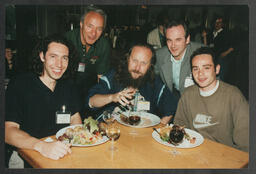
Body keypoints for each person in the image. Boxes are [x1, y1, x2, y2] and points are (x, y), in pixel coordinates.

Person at [5, 35, 83, 167]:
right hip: (28, 154)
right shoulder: (20, 84)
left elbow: (75, 119)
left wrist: (77, 140)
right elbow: (8, 132)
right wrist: (42, 146)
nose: (59, 64)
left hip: (62, 152)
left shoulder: (68, 85)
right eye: (53, 56)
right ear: (42, 56)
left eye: (64, 58)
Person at [174, 47, 248, 152]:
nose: (200, 74)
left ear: (217, 69)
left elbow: (245, 143)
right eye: (196, 68)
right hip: (192, 152)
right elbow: (179, 127)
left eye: (206, 68)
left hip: (223, 156)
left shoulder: (233, 95)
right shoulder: (188, 94)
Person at [86, 44, 178, 124]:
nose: (137, 68)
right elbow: (91, 101)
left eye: (143, 63)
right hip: (110, 132)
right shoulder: (112, 77)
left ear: (150, 65)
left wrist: (157, 131)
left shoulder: (155, 83)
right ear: (127, 59)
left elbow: (171, 108)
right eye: (134, 61)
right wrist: (112, 97)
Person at [65, 5, 111, 118]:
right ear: (81, 24)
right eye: (90, 26)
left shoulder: (103, 45)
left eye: (99, 29)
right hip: (66, 88)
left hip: (89, 91)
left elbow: (101, 78)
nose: (93, 33)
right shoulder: (67, 40)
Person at [155, 20, 203, 98]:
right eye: (169, 40)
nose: (173, 45)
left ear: (187, 39)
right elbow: (152, 78)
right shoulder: (160, 55)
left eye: (178, 40)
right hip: (172, 98)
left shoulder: (201, 54)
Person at [202, 16, 234, 82]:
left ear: (222, 24)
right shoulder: (211, 33)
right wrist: (204, 37)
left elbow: (233, 46)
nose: (217, 24)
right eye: (216, 22)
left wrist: (225, 53)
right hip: (213, 57)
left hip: (222, 59)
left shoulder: (227, 33)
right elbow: (206, 46)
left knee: (220, 78)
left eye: (219, 22)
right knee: (212, 77)